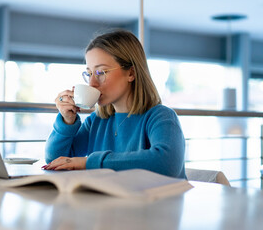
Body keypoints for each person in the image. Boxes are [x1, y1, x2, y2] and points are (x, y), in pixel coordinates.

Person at [42, 29, 186, 179]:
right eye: (89, 73)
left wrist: (88, 162)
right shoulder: (96, 121)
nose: (92, 83)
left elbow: (166, 163)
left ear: (131, 73)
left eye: (101, 72)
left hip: (158, 202)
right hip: (112, 201)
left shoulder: (161, 117)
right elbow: (55, 161)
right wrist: (67, 121)